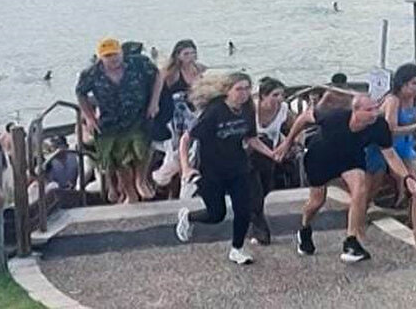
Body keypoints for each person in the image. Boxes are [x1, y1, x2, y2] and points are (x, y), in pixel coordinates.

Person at [274, 95, 416, 262]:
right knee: (316, 202)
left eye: (375, 109)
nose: (374, 114)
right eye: (369, 110)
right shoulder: (334, 117)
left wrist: (407, 177)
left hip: (351, 157)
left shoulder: (379, 126)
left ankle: (351, 242)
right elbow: (304, 118)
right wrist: (287, 143)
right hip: (321, 157)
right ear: (356, 111)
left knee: (361, 188)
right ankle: (304, 228)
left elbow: (390, 155)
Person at [175, 72, 274, 265]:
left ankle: (237, 249)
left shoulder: (247, 108)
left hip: (238, 167)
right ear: (227, 91)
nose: (244, 93)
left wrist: (271, 154)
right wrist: (186, 168)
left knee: (243, 210)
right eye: (239, 89)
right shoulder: (215, 111)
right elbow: (186, 139)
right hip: (212, 170)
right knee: (216, 214)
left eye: (247, 89)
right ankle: (187, 216)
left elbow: (251, 138)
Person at [76, 38, 161, 203]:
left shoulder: (138, 63)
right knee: (118, 159)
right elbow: (80, 93)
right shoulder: (91, 74)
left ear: (121, 53)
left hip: (138, 116)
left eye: (115, 54)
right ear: (101, 57)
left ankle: (141, 180)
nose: (113, 58)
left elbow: (157, 75)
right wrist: (89, 117)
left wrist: (154, 102)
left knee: (143, 149)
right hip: (111, 121)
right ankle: (130, 193)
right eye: (108, 56)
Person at [367, 64, 416, 250]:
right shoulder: (393, 100)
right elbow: (391, 130)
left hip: (405, 148)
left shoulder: (414, 101)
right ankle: (357, 225)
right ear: (402, 84)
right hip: (385, 147)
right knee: (369, 191)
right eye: (414, 83)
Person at [152, 40, 206, 187]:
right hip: (176, 112)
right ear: (178, 55)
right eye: (186, 54)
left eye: (193, 53)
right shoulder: (171, 72)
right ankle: (165, 175)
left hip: (193, 109)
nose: (190, 57)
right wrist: (154, 105)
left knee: (194, 144)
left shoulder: (199, 69)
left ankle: (185, 175)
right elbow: (157, 89)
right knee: (177, 147)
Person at [249, 77, 290, 245]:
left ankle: (252, 218)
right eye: (275, 95)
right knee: (256, 191)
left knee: (266, 189)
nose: (279, 99)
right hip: (249, 154)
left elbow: (295, 127)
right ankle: (260, 231)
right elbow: (250, 138)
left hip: (269, 156)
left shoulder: (284, 109)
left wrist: (287, 145)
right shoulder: (251, 109)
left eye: (282, 95)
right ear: (263, 96)